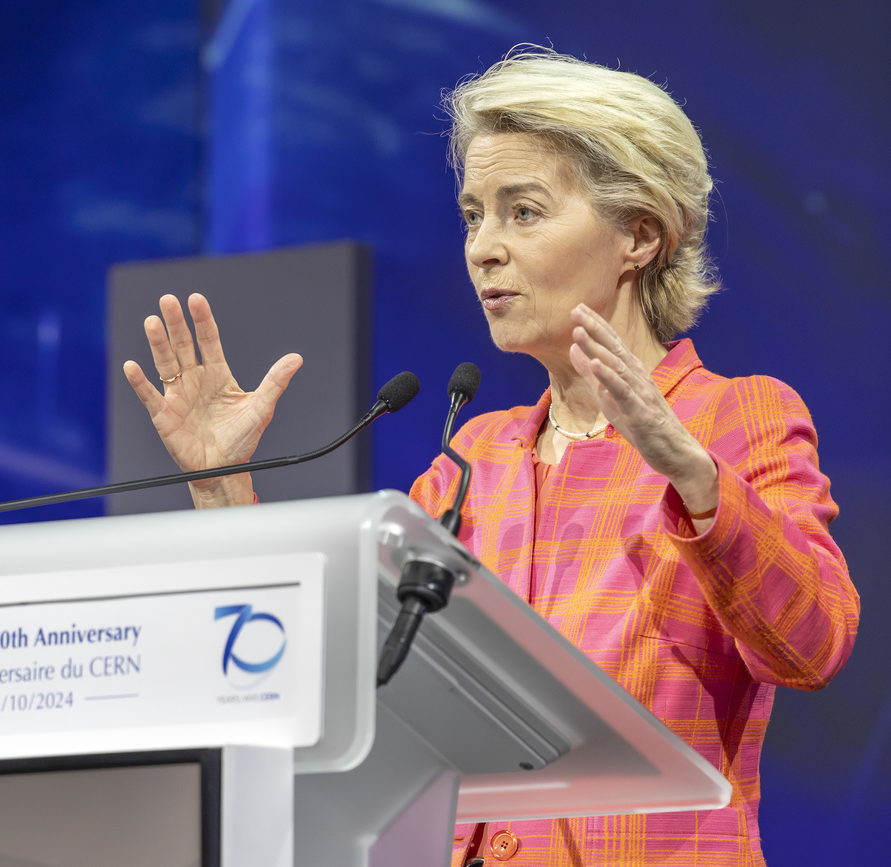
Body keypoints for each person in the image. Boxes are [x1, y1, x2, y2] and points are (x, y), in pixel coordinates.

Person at [122, 47, 858, 867]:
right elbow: (335, 673)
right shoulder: (476, 456)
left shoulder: (738, 418)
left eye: (524, 212)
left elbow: (812, 645)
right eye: (474, 215)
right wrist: (222, 484)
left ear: (640, 235)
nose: (483, 247)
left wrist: (693, 476)